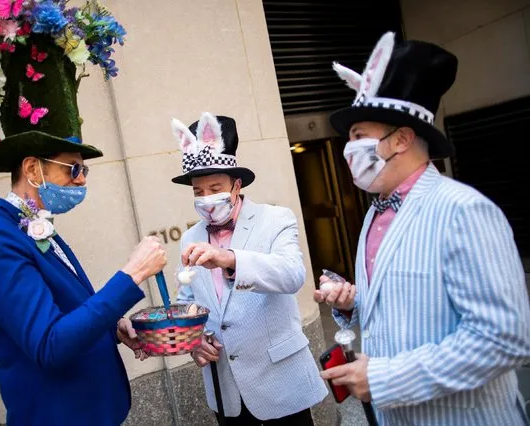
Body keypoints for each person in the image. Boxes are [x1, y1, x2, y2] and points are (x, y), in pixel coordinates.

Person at [0, 10, 164, 426]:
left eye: (84, 169)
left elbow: (67, 313)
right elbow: (49, 343)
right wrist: (131, 275)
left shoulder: (34, 227)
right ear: (33, 170)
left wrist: (112, 326)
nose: (81, 179)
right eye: (72, 168)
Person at [314, 31, 530, 425]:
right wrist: (352, 301)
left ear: (401, 139)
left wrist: (384, 377)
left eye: (359, 136)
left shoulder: (463, 211)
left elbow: (504, 339)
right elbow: (412, 302)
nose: (348, 148)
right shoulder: (374, 213)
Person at [171, 112, 328, 425]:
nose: (206, 199)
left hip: (280, 383)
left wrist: (231, 259)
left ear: (236, 184)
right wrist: (193, 337)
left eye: (215, 187)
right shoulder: (190, 237)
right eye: (198, 192)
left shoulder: (276, 219)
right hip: (225, 390)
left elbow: (292, 275)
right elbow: (186, 298)